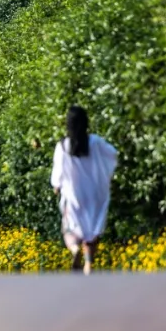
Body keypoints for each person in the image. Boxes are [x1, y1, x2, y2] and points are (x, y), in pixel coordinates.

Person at [50, 106, 118, 275]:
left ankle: (74, 250)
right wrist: (106, 175)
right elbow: (113, 155)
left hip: (74, 195)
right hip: (95, 193)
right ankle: (88, 263)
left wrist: (57, 186)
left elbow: (58, 173)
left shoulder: (63, 146)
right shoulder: (95, 142)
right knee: (92, 230)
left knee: (70, 227)